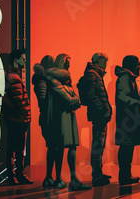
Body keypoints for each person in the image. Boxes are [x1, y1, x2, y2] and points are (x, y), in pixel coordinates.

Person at [44, 54, 91, 191]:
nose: (69, 65)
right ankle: (64, 179)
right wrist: (74, 97)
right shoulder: (54, 80)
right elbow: (70, 99)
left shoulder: (59, 79)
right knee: (62, 147)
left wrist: (73, 97)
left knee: (67, 148)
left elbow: (71, 97)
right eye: (67, 63)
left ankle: (65, 179)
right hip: (62, 118)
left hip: (66, 117)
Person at [114, 55, 140, 185]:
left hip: (128, 119)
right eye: (138, 63)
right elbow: (122, 97)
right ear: (132, 65)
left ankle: (126, 175)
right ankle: (124, 177)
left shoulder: (128, 78)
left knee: (127, 148)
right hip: (126, 120)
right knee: (126, 148)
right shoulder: (125, 78)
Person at [3, 49, 33, 185]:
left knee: (14, 148)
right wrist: (23, 113)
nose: (24, 61)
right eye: (23, 58)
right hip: (17, 118)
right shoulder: (13, 76)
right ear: (16, 59)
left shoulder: (12, 75)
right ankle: (16, 175)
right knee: (16, 148)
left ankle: (15, 174)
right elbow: (17, 99)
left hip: (17, 117)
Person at [83, 53, 112, 187]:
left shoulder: (95, 74)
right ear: (97, 61)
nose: (106, 64)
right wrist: (102, 109)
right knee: (97, 144)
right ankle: (97, 175)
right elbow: (91, 94)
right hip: (98, 115)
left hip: (100, 115)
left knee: (99, 144)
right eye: (104, 61)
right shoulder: (92, 74)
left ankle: (98, 172)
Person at [32, 55, 56, 187]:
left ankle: (49, 176)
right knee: (52, 147)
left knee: (52, 147)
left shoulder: (41, 80)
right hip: (48, 117)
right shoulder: (43, 81)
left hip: (46, 116)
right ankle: (48, 176)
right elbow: (43, 100)